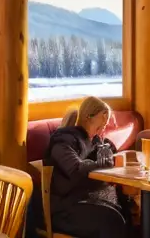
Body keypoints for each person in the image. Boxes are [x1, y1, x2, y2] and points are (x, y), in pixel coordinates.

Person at [42, 96, 130, 238]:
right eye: (103, 117)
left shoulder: (94, 141)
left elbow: (109, 154)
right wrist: (100, 164)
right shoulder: (63, 141)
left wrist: (110, 153)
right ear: (88, 117)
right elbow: (75, 169)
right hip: (65, 208)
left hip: (85, 200)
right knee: (111, 219)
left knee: (126, 211)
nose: (105, 124)